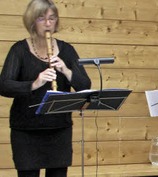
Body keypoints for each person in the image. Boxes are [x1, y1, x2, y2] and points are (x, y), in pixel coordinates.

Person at [0, 0, 92, 176]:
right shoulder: (19, 50)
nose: (48, 23)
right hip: (26, 131)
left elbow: (84, 85)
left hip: (59, 130)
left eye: (52, 18)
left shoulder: (67, 50)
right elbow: (4, 85)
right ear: (32, 22)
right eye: (42, 19)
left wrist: (65, 70)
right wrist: (35, 83)